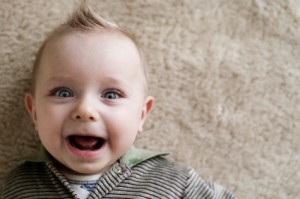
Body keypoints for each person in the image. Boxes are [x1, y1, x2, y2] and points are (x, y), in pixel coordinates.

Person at [1, 2, 236, 199]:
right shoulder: (18, 186)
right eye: (63, 93)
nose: (85, 110)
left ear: (141, 115)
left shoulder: (173, 182)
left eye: (111, 95)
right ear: (34, 112)